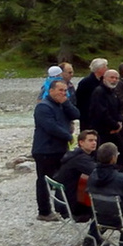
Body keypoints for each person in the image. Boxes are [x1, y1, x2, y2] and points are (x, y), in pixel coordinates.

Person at [32, 78, 79, 220]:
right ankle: (44, 211)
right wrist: (69, 136)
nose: (63, 93)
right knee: (44, 181)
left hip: (59, 148)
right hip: (45, 149)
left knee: (61, 179)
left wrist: (66, 103)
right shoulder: (43, 107)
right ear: (51, 91)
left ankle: (63, 209)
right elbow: (50, 126)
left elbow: (76, 115)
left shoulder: (61, 105)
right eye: (60, 90)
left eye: (65, 91)